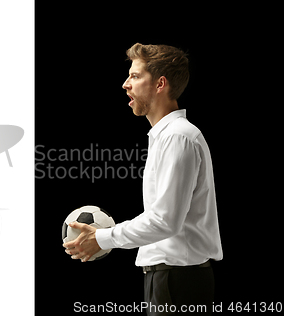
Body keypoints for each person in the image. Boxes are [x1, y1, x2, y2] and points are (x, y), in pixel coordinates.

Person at [63, 43, 223, 315]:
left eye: (135, 76)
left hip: (178, 282)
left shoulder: (178, 137)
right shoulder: (167, 137)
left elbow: (165, 221)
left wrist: (103, 238)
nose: (126, 84)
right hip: (170, 279)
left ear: (160, 84)